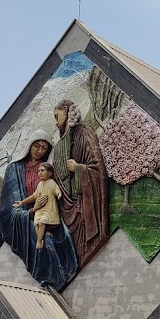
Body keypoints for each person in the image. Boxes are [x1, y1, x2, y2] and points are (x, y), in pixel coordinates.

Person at [0, 131, 78, 289]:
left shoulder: (47, 170)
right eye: (37, 146)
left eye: (44, 147)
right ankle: (52, 278)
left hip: (49, 214)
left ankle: (67, 273)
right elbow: (10, 206)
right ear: (29, 145)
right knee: (45, 243)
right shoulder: (14, 169)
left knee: (65, 237)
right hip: (27, 217)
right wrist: (31, 211)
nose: (40, 150)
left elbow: (57, 190)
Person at [52, 99, 110, 268]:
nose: (56, 122)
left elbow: (98, 169)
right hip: (66, 203)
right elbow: (58, 174)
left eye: (58, 116)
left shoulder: (85, 133)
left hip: (84, 202)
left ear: (68, 112)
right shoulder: (59, 145)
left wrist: (78, 168)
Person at [13, 162, 62, 248]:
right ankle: (42, 234)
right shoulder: (40, 184)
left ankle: (39, 241)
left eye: (42, 170)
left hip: (49, 210)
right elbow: (34, 196)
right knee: (36, 223)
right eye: (38, 171)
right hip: (40, 210)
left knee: (42, 221)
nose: (40, 173)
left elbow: (56, 188)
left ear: (50, 173)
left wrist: (58, 194)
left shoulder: (51, 182)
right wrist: (22, 202)